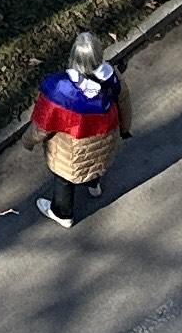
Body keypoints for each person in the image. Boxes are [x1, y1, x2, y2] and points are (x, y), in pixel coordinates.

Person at [29, 32, 127, 227]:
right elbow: (124, 103)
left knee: (65, 180)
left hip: (69, 152)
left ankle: (62, 213)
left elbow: (42, 125)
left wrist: (29, 141)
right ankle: (93, 185)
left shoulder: (59, 89)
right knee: (95, 162)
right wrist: (125, 128)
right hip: (105, 141)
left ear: (73, 57)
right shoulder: (112, 78)